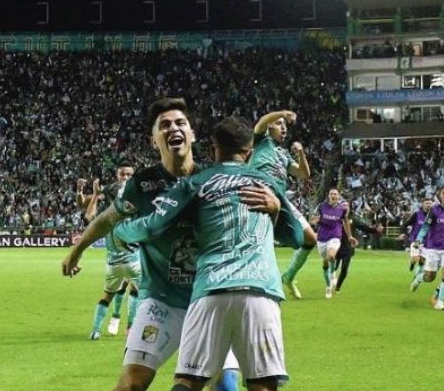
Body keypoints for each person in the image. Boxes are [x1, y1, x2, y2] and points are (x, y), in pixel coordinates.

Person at [61, 98, 246, 391]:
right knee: (132, 382)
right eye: (165, 125)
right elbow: (108, 219)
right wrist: (77, 249)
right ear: (154, 139)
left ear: (193, 134)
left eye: (180, 123)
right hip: (161, 300)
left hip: (209, 299)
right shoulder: (143, 184)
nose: (174, 128)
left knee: (226, 386)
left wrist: (274, 206)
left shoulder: (213, 179)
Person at [112, 116, 303, 391]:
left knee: (188, 381)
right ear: (249, 152)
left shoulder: (196, 182)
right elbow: (296, 237)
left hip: (211, 289)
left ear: (214, 148)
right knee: (262, 385)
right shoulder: (267, 183)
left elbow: (153, 226)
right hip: (260, 290)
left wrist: (121, 232)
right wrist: (275, 210)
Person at [249, 110, 315, 299]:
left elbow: (303, 174)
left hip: (280, 196)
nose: (283, 126)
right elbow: (261, 121)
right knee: (260, 239)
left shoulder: (283, 153)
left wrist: (301, 153)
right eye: (278, 123)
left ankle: (288, 277)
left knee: (311, 238)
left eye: (284, 124)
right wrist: (283, 113)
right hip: (260, 190)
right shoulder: (261, 141)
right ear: (270, 126)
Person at [84, 161, 141, 340]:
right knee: (137, 291)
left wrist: (95, 194)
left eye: (128, 175)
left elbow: (89, 217)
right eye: (122, 174)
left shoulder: (108, 211)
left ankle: (95, 331)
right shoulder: (137, 206)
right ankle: (130, 328)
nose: (125, 178)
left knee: (107, 295)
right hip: (133, 259)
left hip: (113, 261)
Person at [314, 188, 357, 298]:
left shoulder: (341, 209)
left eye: (335, 194)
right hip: (322, 238)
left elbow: (346, 222)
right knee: (325, 263)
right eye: (331, 193)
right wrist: (315, 220)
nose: (333, 195)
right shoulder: (321, 206)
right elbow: (312, 219)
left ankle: (333, 273)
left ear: (338, 197)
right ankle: (328, 287)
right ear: (329, 195)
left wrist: (350, 236)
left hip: (335, 237)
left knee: (332, 256)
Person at [401, 198, 433, 272]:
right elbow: (405, 225)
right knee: (415, 258)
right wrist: (404, 233)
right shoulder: (417, 214)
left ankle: (419, 274)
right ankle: (412, 264)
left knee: (422, 261)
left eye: (430, 203)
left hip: (427, 242)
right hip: (416, 240)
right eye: (427, 203)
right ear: (423, 204)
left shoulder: (433, 216)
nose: (428, 205)